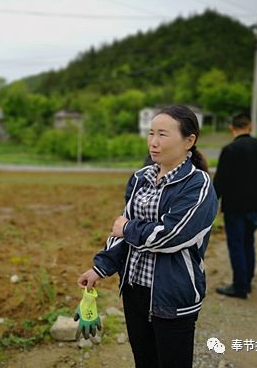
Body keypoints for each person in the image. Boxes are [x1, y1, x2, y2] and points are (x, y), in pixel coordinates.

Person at [77, 105, 218, 368]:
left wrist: (128, 228)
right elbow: (120, 234)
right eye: (151, 133)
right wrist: (100, 267)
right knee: (144, 361)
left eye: (163, 135)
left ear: (190, 141)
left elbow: (171, 235)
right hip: (135, 290)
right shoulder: (141, 178)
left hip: (172, 294)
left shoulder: (198, 184)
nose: (153, 142)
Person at [213, 113, 257, 298]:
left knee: (236, 245)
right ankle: (247, 281)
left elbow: (220, 182)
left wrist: (211, 205)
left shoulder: (230, 150)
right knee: (248, 242)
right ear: (251, 127)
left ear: (232, 128)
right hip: (256, 205)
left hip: (234, 206)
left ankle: (240, 286)